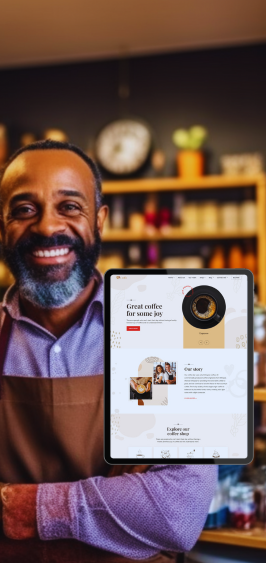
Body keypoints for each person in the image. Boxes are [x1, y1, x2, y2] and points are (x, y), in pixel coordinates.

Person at [0, 140, 217, 562]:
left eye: (69, 206)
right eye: (25, 209)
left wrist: (24, 507)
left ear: (100, 221)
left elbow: (178, 511)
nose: (47, 227)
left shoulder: (165, 336)